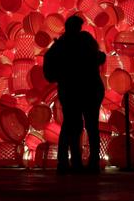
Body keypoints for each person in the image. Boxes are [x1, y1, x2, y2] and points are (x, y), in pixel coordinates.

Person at [42, 14, 106, 173]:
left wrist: (60, 75)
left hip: (71, 90)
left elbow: (49, 67)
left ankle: (68, 162)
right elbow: (99, 56)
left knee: (71, 126)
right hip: (89, 88)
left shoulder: (61, 44)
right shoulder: (84, 40)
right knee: (89, 126)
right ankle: (90, 163)